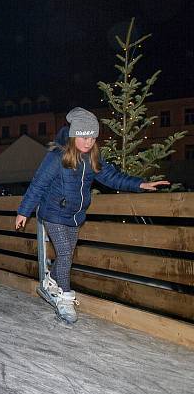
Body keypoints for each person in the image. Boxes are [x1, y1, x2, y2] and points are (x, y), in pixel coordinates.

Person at [15, 107, 169, 323]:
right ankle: (65, 298)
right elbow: (38, 184)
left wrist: (140, 184)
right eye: (84, 136)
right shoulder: (57, 157)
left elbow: (113, 178)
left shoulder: (93, 158)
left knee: (65, 255)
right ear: (73, 135)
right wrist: (23, 211)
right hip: (53, 214)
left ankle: (49, 281)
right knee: (66, 253)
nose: (88, 142)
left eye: (93, 137)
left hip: (76, 216)